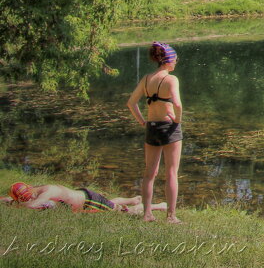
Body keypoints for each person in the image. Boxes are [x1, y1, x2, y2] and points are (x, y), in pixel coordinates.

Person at [126, 41, 183, 223]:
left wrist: (142, 121)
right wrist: (177, 119)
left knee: (150, 173)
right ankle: (171, 216)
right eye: (174, 60)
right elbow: (177, 104)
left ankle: (147, 214)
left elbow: (131, 102)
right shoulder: (171, 79)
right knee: (172, 173)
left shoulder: (146, 79)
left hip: (151, 127)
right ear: (167, 61)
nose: (176, 63)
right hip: (169, 128)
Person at [5, 181, 166, 215]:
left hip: (89, 199)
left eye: (26, 198)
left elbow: (31, 206)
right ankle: (133, 199)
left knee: (122, 213)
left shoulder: (47, 192)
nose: (28, 200)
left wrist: (16, 205)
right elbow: (26, 201)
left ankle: (159, 206)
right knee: (108, 204)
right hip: (85, 196)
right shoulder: (36, 190)